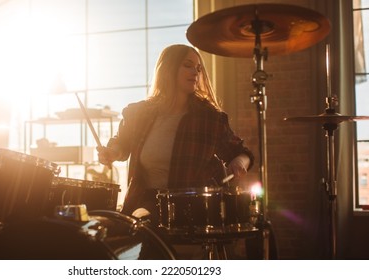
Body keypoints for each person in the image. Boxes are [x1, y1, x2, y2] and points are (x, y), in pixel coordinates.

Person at [97, 44, 254, 226]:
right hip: (143, 205)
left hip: (193, 211)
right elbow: (121, 143)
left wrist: (240, 162)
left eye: (198, 68)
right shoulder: (138, 113)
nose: (195, 72)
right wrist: (112, 152)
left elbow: (242, 153)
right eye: (187, 65)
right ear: (168, 69)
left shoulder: (210, 119)